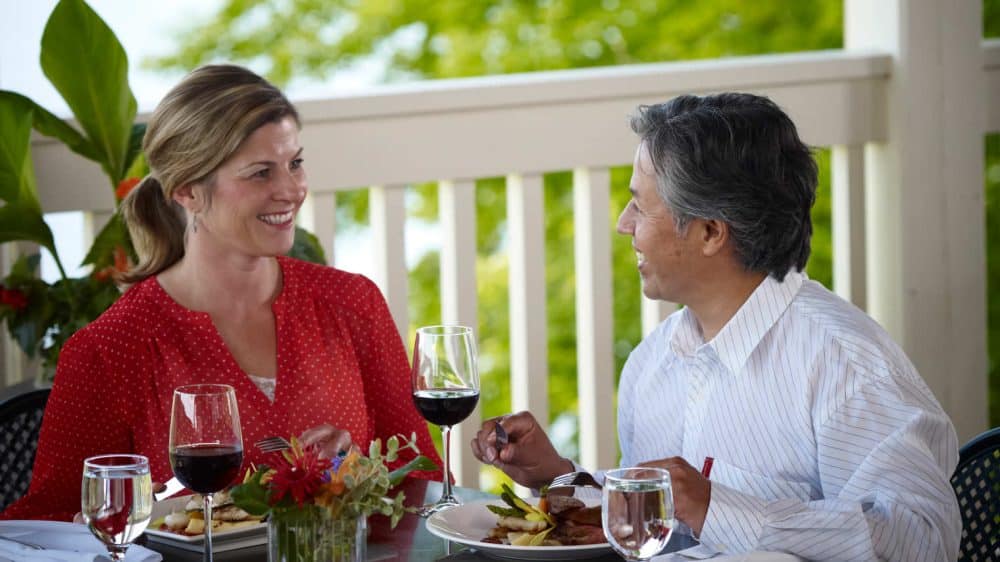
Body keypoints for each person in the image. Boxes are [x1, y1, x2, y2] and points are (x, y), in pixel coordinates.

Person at [471, 93, 961, 561]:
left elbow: (924, 540)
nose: (624, 224)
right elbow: (653, 526)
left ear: (709, 232)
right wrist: (556, 478)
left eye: (640, 206)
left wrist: (716, 508)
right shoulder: (652, 363)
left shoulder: (843, 363)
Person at [2, 64, 441, 522]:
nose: (291, 190)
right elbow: (45, 525)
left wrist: (356, 470)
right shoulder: (111, 349)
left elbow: (421, 481)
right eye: (260, 173)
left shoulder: (352, 304)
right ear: (187, 190)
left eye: (295, 164)